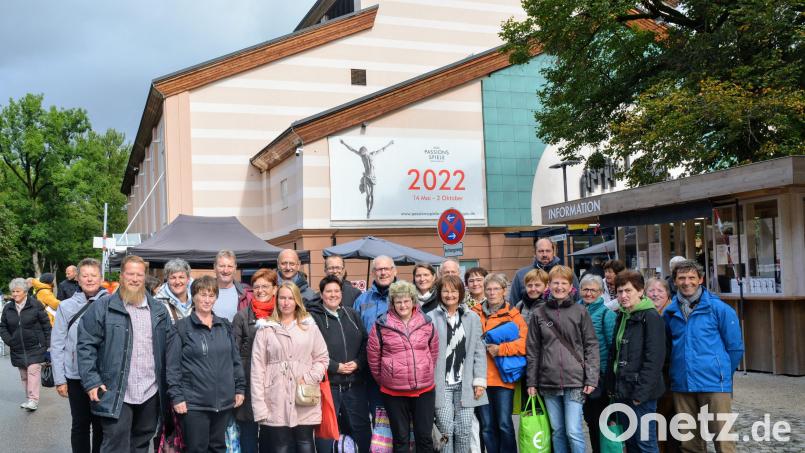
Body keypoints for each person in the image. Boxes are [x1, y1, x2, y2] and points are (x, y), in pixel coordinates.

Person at [77, 255, 171, 453]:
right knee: (115, 445)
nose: (135, 279)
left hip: (150, 391)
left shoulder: (159, 311)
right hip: (117, 391)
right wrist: (92, 381)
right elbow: (86, 345)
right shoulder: (103, 307)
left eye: (139, 274)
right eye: (130, 274)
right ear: (121, 276)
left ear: (145, 277)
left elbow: (169, 350)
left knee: (141, 444)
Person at [663, 260, 744, 453]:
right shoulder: (670, 312)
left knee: (723, 441)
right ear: (674, 281)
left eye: (692, 277)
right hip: (682, 384)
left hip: (714, 383)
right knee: (690, 443)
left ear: (700, 279)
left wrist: (721, 372)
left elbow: (735, 348)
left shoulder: (720, 309)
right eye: (681, 278)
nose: (686, 282)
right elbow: (667, 347)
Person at [166, 276, 246, 453]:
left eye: (211, 295)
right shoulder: (181, 328)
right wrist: (177, 397)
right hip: (194, 404)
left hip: (223, 402)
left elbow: (235, 360)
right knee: (197, 448)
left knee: (218, 447)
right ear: (193, 296)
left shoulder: (224, 326)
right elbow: (172, 367)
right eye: (202, 295)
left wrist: (240, 388)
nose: (207, 300)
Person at [526, 265, 599, 453]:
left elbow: (591, 345)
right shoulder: (539, 314)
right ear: (548, 285)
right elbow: (533, 350)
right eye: (555, 283)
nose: (559, 287)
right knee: (557, 430)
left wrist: (591, 377)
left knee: (573, 431)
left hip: (575, 380)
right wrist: (531, 382)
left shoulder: (580, 311)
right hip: (548, 380)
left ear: (570, 287)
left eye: (563, 283)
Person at [251, 282, 329, 453]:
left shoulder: (309, 327)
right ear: (276, 300)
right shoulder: (265, 329)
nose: (286, 302)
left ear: (297, 301)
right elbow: (257, 370)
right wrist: (259, 404)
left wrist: (309, 378)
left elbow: (322, 358)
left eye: (290, 298)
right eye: (282, 298)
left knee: (305, 443)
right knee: (280, 446)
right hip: (275, 396)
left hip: (304, 395)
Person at [368, 280, 438, 453]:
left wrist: (425, 370)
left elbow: (433, 352)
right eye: (398, 301)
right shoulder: (381, 324)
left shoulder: (426, 322)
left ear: (413, 301)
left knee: (425, 438)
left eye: (406, 300)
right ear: (392, 303)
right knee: (400, 440)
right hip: (394, 392)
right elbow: (373, 358)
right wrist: (387, 378)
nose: (402, 305)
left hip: (424, 390)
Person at [308, 275, 371, 453]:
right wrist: (335, 366)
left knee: (361, 429)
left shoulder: (352, 314)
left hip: (354, 384)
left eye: (337, 291)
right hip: (329, 385)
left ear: (342, 294)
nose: (333, 294)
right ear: (321, 294)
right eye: (328, 291)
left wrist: (359, 363)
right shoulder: (314, 318)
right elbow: (310, 350)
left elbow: (366, 343)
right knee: (326, 433)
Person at [52, 258, 108, 452]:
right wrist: (60, 379)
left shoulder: (112, 303)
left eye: (94, 275)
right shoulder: (65, 306)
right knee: (80, 424)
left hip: (104, 375)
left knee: (102, 425)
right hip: (75, 375)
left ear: (101, 278)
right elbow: (58, 343)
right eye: (85, 275)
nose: (90, 279)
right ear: (78, 278)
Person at [607, 270, 666, 453]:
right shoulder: (623, 315)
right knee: (630, 442)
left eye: (628, 291)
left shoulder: (651, 317)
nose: (623, 296)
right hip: (623, 389)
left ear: (640, 291)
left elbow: (654, 359)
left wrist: (641, 393)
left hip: (641, 392)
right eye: (619, 292)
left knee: (645, 443)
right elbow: (616, 353)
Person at [472, 273, 527, 453]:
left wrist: (501, 349)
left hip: (503, 379)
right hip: (480, 379)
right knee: (487, 427)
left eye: (496, 289)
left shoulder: (513, 315)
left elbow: (525, 343)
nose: (492, 292)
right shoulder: (474, 312)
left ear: (504, 291)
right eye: (489, 289)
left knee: (504, 424)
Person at [431, 275, 487, 453]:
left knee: (464, 430)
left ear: (461, 293)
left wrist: (479, 380)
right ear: (439, 293)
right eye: (445, 290)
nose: (449, 295)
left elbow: (479, 350)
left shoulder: (472, 317)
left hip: (466, 382)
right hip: (441, 384)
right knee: (446, 429)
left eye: (454, 291)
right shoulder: (430, 317)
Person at [233, 268, 278, 453]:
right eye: (256, 287)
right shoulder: (242, 316)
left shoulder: (282, 314)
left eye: (265, 286)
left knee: (272, 431)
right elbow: (233, 355)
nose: (260, 290)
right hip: (249, 383)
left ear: (275, 289)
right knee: (249, 433)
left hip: (276, 382)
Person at [578, 273, 616, 453]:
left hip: (599, 377)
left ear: (601, 292)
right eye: (585, 289)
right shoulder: (574, 310)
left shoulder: (606, 314)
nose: (589, 293)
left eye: (593, 290)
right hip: (578, 375)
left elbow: (611, 348)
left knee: (599, 421)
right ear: (579, 290)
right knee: (590, 421)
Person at [0, 278, 51, 411]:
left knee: (33, 371)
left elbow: (46, 324)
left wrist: (48, 343)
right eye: (13, 291)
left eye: (18, 291)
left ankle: (33, 400)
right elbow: (3, 327)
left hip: (35, 346)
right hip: (17, 347)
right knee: (24, 375)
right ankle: (29, 398)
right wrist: (9, 340)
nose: (15, 294)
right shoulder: (8, 308)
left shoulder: (36, 305)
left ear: (25, 292)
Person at [511, 238, 579, 304]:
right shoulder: (521, 275)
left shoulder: (568, 273)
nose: (545, 255)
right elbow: (513, 304)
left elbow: (578, 300)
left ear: (553, 252)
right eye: (541, 251)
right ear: (534, 253)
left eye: (548, 251)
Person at [339, 138, 394, 218]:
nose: (362, 154)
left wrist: (389, 143)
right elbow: (352, 150)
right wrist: (344, 143)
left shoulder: (373, 154)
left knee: (372, 195)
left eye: (362, 152)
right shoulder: (362, 156)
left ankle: (370, 210)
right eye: (361, 153)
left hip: (373, 177)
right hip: (366, 177)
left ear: (365, 151)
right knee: (368, 195)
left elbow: (382, 149)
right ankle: (368, 210)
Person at [213, 250, 253, 322]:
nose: (225, 270)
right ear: (214, 268)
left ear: (235, 269)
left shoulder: (246, 293)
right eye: (222, 266)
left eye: (230, 266)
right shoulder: (203, 290)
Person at [155, 258, 193, 323]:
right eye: (173, 278)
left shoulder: (198, 300)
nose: (177, 282)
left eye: (181, 277)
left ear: (188, 279)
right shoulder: (157, 303)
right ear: (167, 279)